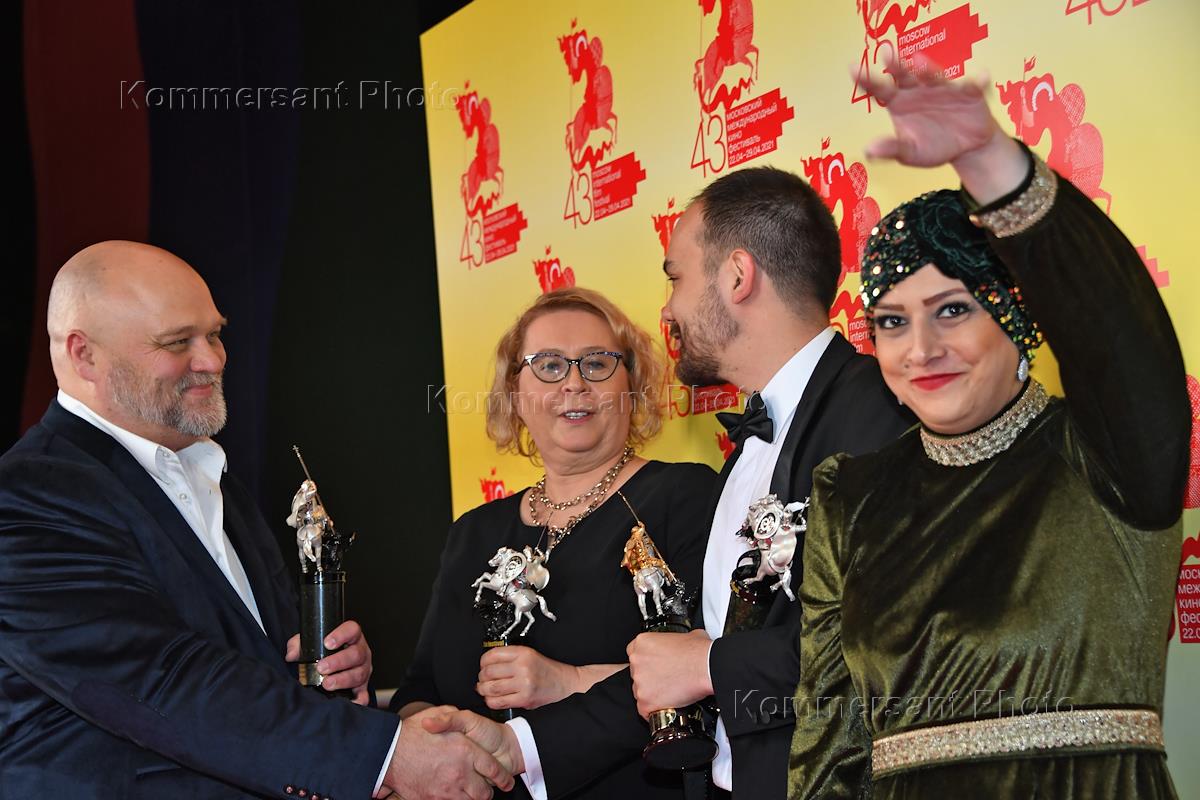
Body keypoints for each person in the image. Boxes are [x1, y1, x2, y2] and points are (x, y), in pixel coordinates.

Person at [431, 168, 915, 799]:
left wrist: (711, 664)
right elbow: (689, 671)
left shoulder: (877, 416)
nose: (667, 309)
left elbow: (897, 643)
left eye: (676, 277)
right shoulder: (749, 451)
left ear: (736, 276)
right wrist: (519, 747)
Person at [787, 58, 1188, 799]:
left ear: (1017, 317)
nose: (920, 350)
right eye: (891, 323)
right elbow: (828, 744)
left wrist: (991, 163)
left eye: (952, 310)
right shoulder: (850, 496)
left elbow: (1118, 330)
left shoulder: (1108, 456)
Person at [0, 241, 512, 799]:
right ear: (84, 356)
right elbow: (165, 681)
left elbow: (254, 669)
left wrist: (332, 677)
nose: (213, 360)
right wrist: (383, 755)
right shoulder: (26, 496)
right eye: (177, 342)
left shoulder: (216, 481)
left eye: (215, 334)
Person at [389, 287, 716, 799]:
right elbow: (418, 689)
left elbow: (711, 670)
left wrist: (568, 681)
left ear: (632, 385)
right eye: (548, 366)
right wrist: (433, 751)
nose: (574, 383)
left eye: (598, 363)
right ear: (515, 393)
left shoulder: (685, 497)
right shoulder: (472, 531)